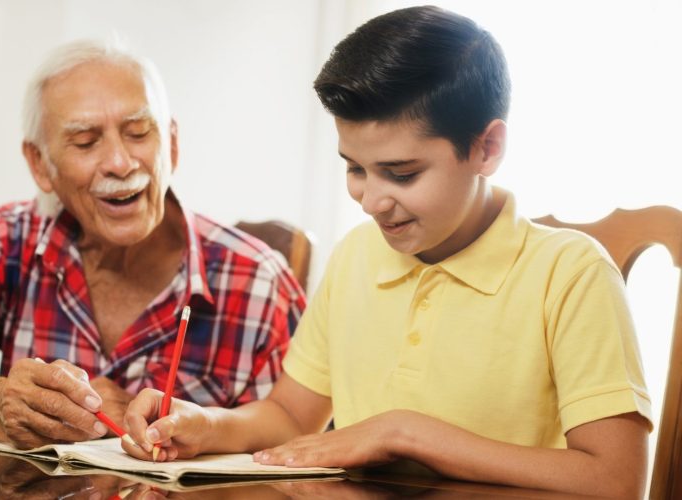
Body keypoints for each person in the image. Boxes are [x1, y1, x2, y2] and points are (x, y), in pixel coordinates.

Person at [119, 6, 652, 498]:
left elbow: (616, 480)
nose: (371, 201)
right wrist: (204, 425)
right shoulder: (357, 256)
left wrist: (407, 434)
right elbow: (288, 415)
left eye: (402, 173)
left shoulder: (570, 273)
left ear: (486, 149)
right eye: (354, 168)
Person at [0, 40, 305, 449]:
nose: (120, 163)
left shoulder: (260, 281)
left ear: (172, 145)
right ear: (39, 164)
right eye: (86, 142)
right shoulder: (9, 240)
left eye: (139, 133)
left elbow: (301, 443)